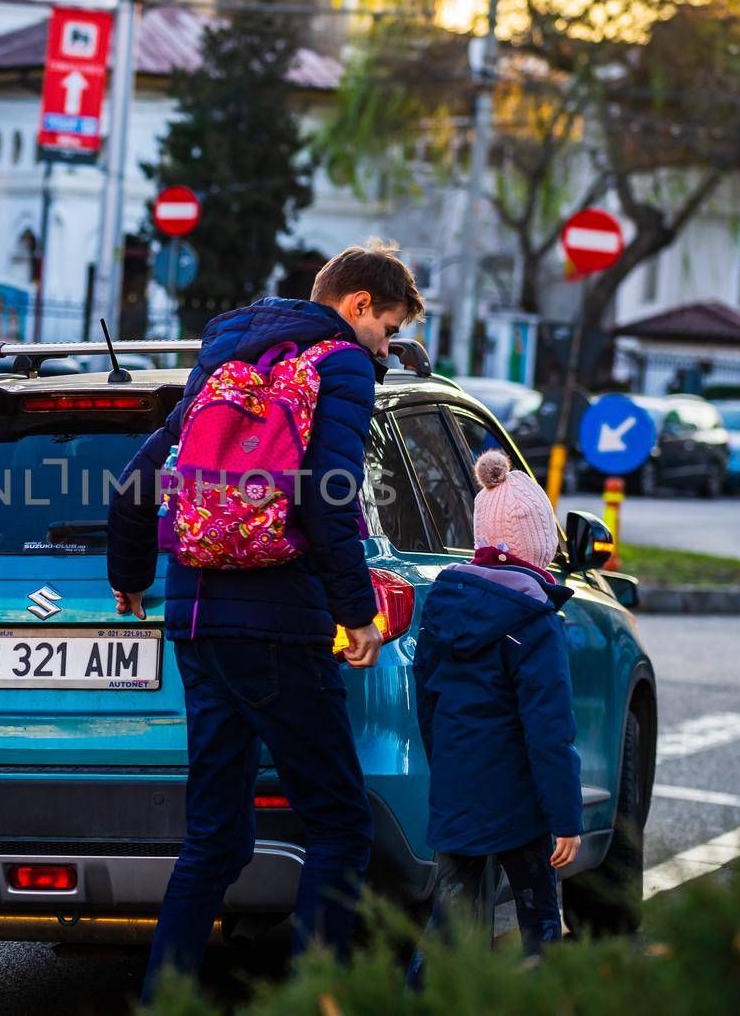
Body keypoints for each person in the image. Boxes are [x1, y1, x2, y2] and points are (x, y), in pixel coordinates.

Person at [106, 240, 425, 998]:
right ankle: (311, 998)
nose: (383, 348)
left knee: (215, 836)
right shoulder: (339, 363)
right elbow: (329, 499)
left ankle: (165, 1001)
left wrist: (131, 577)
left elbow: (135, 483)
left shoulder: (225, 356)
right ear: (356, 306)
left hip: (195, 620)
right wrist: (361, 615)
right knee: (341, 824)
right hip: (278, 623)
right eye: (386, 329)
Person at [410, 449, 581, 968]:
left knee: (449, 917)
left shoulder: (443, 603)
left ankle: (418, 997)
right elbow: (549, 730)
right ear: (539, 545)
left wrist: (449, 770)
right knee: (537, 914)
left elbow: (428, 700)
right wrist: (566, 818)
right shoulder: (533, 619)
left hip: (458, 788)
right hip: (519, 802)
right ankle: (544, 995)